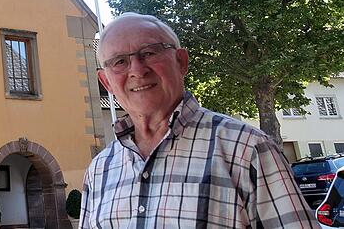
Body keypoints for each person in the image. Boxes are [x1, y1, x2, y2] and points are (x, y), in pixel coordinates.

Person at [80, 12, 316, 228]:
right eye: (120, 61)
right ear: (107, 82)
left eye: (149, 53)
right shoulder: (99, 170)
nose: (137, 70)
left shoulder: (248, 149)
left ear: (181, 61)